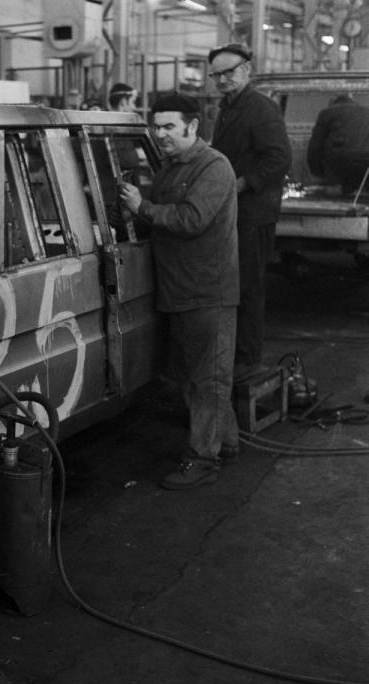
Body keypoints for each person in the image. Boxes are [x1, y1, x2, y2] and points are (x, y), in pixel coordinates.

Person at [117, 93, 240, 490]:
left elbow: (192, 219)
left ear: (193, 126)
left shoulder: (213, 166)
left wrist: (142, 209)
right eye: (157, 126)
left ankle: (203, 459)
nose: (161, 134)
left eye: (169, 126)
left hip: (207, 289)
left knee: (208, 377)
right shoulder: (170, 167)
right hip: (178, 287)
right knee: (197, 374)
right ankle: (226, 443)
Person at [208, 43, 291, 383]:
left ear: (246, 70)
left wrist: (241, 184)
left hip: (253, 213)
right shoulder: (227, 108)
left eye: (229, 72)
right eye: (216, 74)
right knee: (234, 286)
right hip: (234, 211)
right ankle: (236, 356)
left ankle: (248, 361)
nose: (223, 79)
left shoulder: (261, 108)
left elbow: (279, 159)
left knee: (250, 288)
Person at [306, 94, 369, 194]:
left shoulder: (327, 112)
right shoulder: (366, 111)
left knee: (335, 190)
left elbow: (315, 146)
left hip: (340, 161)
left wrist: (317, 172)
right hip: (366, 161)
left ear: (332, 104)